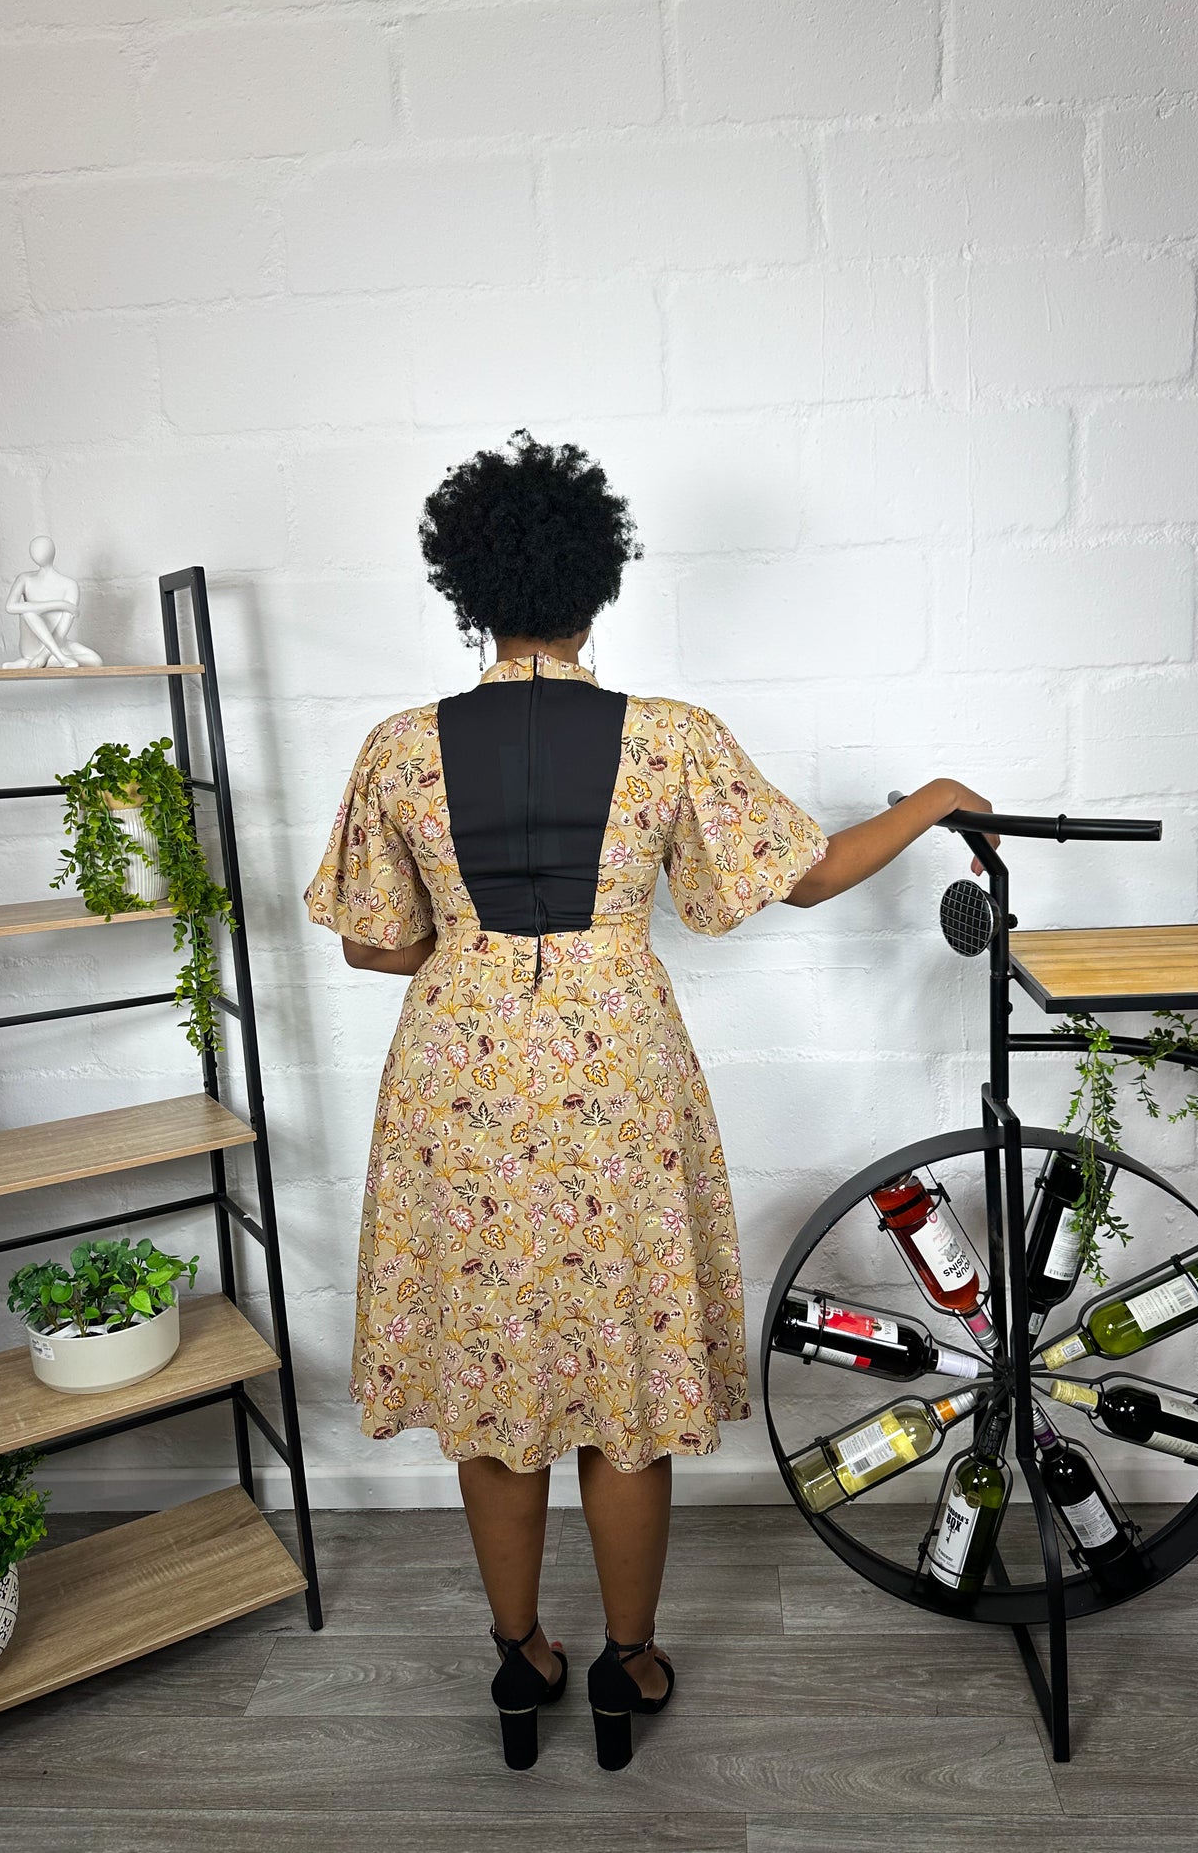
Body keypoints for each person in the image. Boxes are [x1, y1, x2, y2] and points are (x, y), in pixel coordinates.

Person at [303, 429, 995, 1772]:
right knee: (621, 1366)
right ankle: (628, 1666)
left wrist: (474, 939)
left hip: (459, 1072)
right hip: (620, 1061)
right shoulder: (670, 740)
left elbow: (373, 945)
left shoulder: (397, 749)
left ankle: (519, 1664)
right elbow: (791, 877)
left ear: (466, 583)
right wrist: (925, 804)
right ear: (594, 581)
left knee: (495, 1367)